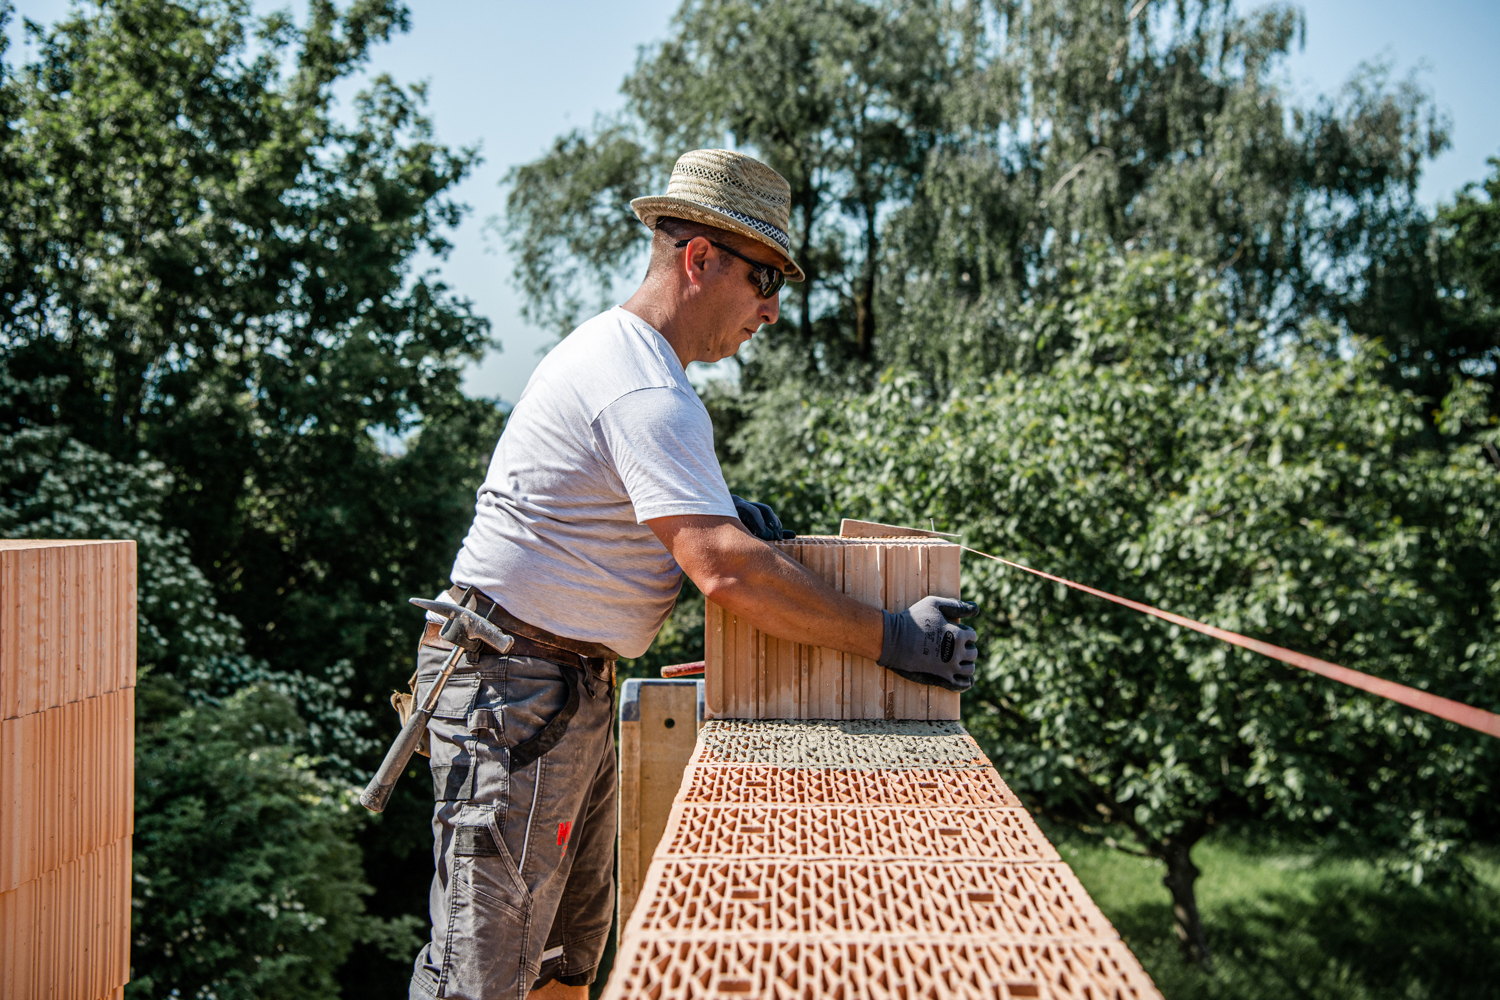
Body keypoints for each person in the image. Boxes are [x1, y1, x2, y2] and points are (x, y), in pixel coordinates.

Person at [406, 148, 980, 1000]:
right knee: (479, 979)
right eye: (765, 279)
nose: (773, 310)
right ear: (700, 259)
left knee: (566, 959)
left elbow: (661, 537)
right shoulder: (645, 389)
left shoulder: (629, 365)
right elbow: (725, 570)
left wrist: (733, 534)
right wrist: (897, 640)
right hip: (512, 689)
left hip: (553, 684)